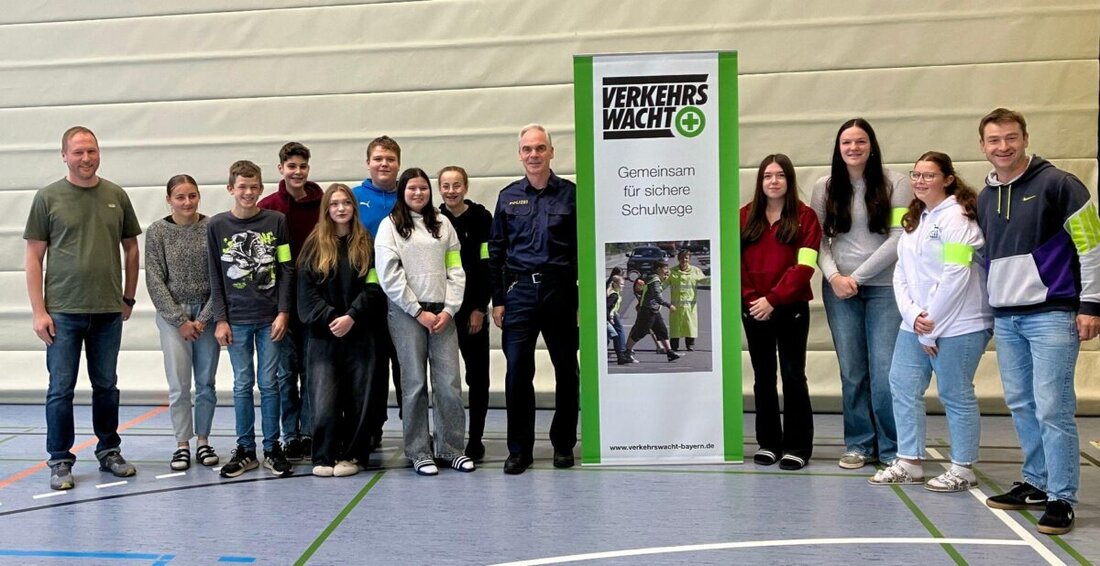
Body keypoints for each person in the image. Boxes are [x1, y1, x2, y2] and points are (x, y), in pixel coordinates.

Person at [976, 108, 1099, 535]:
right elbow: (982, 257)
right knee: (1022, 404)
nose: (1003, 147)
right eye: (994, 140)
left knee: (1053, 407)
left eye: (1010, 138)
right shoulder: (985, 196)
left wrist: (1091, 304)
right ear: (983, 147)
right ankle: (1037, 481)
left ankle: (1062, 497)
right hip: (1008, 321)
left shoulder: (1059, 184)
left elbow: (1091, 245)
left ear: (1025, 138)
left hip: (1053, 315)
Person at [24, 126, 142, 490]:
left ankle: (109, 450)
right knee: (61, 388)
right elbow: (33, 257)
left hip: (108, 312)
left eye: (91, 151)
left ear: (99, 153)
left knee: (106, 385)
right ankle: (60, 459)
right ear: (64, 156)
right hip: (62, 312)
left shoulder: (116, 195)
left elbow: (132, 249)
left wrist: (127, 297)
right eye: (78, 152)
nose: (86, 158)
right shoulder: (48, 198)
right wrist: (39, 311)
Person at [869, 152, 991, 491]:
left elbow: (956, 274)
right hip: (917, 324)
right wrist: (912, 315)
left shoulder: (960, 218)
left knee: (954, 392)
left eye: (929, 175)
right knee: (902, 385)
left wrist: (931, 322)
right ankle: (909, 461)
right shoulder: (916, 218)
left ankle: (963, 468)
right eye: (916, 174)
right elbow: (900, 272)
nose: (921, 181)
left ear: (948, 179)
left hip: (960, 324)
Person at [810, 118, 912, 469]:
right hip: (839, 290)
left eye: (860, 142)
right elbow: (817, 240)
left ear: (872, 145)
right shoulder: (823, 188)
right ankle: (858, 444)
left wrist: (860, 276)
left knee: (884, 373)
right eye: (846, 143)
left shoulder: (896, 183)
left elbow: (900, 237)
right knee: (852, 371)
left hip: (884, 289)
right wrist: (837, 277)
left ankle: (891, 448)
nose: (853, 148)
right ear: (838, 149)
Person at [488, 123, 579, 474]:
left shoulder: (571, 195)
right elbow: (496, 251)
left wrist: (582, 300)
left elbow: (583, 249)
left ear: (552, 152)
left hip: (560, 291)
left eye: (540, 148)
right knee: (516, 374)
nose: (534, 155)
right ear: (520, 154)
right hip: (520, 292)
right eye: (527, 149)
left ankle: (563, 444)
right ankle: (519, 449)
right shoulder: (508, 196)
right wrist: (498, 299)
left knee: (566, 371)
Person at [376, 168, 472, 475]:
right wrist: (418, 311)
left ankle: (451, 448)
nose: (418, 193)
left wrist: (449, 309)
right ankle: (419, 450)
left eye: (423, 188)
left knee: (448, 384)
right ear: (402, 191)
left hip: (443, 315)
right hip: (407, 316)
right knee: (415, 384)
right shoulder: (389, 226)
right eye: (412, 189)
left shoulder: (443, 224)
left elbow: (455, 267)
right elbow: (389, 275)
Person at [208, 160, 294, 478]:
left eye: (253, 186)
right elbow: (216, 276)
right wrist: (221, 319)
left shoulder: (277, 221)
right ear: (231, 189)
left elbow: (286, 268)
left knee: (270, 384)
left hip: (270, 318)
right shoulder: (217, 227)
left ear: (261, 188)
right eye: (241, 186)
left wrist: (284, 312)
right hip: (237, 320)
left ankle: (272, 447)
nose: (248, 192)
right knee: (242, 384)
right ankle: (246, 449)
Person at [740, 154, 822, 471]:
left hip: (790, 309)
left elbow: (805, 266)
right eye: (767, 176)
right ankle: (769, 443)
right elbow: (737, 265)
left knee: (792, 375)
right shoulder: (744, 217)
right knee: (763, 377)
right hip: (753, 309)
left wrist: (773, 299)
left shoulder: (806, 218)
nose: (774, 181)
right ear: (761, 182)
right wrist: (752, 299)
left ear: (789, 180)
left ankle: (797, 446)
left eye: (780, 175)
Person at [297, 183, 379, 477]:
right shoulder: (313, 246)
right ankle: (323, 455)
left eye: (346, 203)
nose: (341, 208)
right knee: (324, 398)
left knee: (359, 397)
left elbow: (374, 286)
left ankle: (354, 455)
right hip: (323, 335)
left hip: (360, 333)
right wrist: (332, 318)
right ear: (327, 209)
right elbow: (306, 294)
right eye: (335, 204)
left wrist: (352, 317)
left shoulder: (366, 243)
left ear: (354, 208)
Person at [145, 175, 221, 471]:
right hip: (173, 317)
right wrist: (179, 320)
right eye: (180, 197)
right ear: (169, 200)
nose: (187, 202)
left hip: (207, 315)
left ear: (199, 196)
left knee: (206, 383)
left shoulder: (212, 227)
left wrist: (203, 318)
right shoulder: (157, 232)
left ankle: (203, 440)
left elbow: (220, 276)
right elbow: (154, 278)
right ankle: (182, 443)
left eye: (192, 196)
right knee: (178, 384)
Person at [258, 142, 322, 462]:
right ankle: (289, 433)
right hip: (279, 304)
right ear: (281, 168)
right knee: (285, 374)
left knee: (312, 369)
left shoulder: (321, 202)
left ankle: (309, 432)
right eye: (291, 166)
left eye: (303, 167)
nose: (297, 172)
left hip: (313, 301)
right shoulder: (268, 206)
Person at [437, 165, 494, 460]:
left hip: (472, 312)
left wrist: (478, 308)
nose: (451, 191)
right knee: (444, 380)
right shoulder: (433, 219)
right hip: (443, 312)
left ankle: (476, 438)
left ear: (466, 187)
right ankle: (446, 437)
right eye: (445, 185)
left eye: (456, 185)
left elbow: (487, 264)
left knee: (478, 377)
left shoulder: (483, 218)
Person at [352, 135, 403, 450]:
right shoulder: (354, 197)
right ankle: (371, 427)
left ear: (398, 163)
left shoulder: (411, 195)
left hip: (403, 297)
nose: (384, 164)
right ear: (369, 162)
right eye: (378, 159)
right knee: (370, 368)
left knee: (405, 366)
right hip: (366, 298)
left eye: (390, 159)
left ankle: (413, 428)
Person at [623, 263, 681, 363]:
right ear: (658, 269)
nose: (667, 270)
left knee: (662, 331)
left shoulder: (655, 278)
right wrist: (668, 305)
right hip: (648, 310)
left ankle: (670, 352)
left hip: (654, 310)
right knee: (640, 332)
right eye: (665, 268)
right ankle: (627, 353)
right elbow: (657, 296)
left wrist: (665, 277)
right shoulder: (655, 280)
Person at [668, 249, 710, 352]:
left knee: (690, 326)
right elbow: (662, 284)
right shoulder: (672, 271)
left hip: (690, 306)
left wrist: (718, 277)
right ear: (678, 259)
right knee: (675, 327)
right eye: (682, 257)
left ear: (689, 259)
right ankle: (674, 345)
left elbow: (704, 280)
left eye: (686, 258)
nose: (684, 260)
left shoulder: (695, 271)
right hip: (675, 307)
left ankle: (690, 345)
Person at [606, 274, 630, 365]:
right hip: (607, 318)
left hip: (610, 317)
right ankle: (620, 357)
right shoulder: (614, 295)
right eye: (621, 284)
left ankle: (620, 357)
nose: (623, 286)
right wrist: (610, 318)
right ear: (615, 284)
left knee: (610, 336)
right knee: (614, 335)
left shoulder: (613, 292)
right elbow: (607, 307)